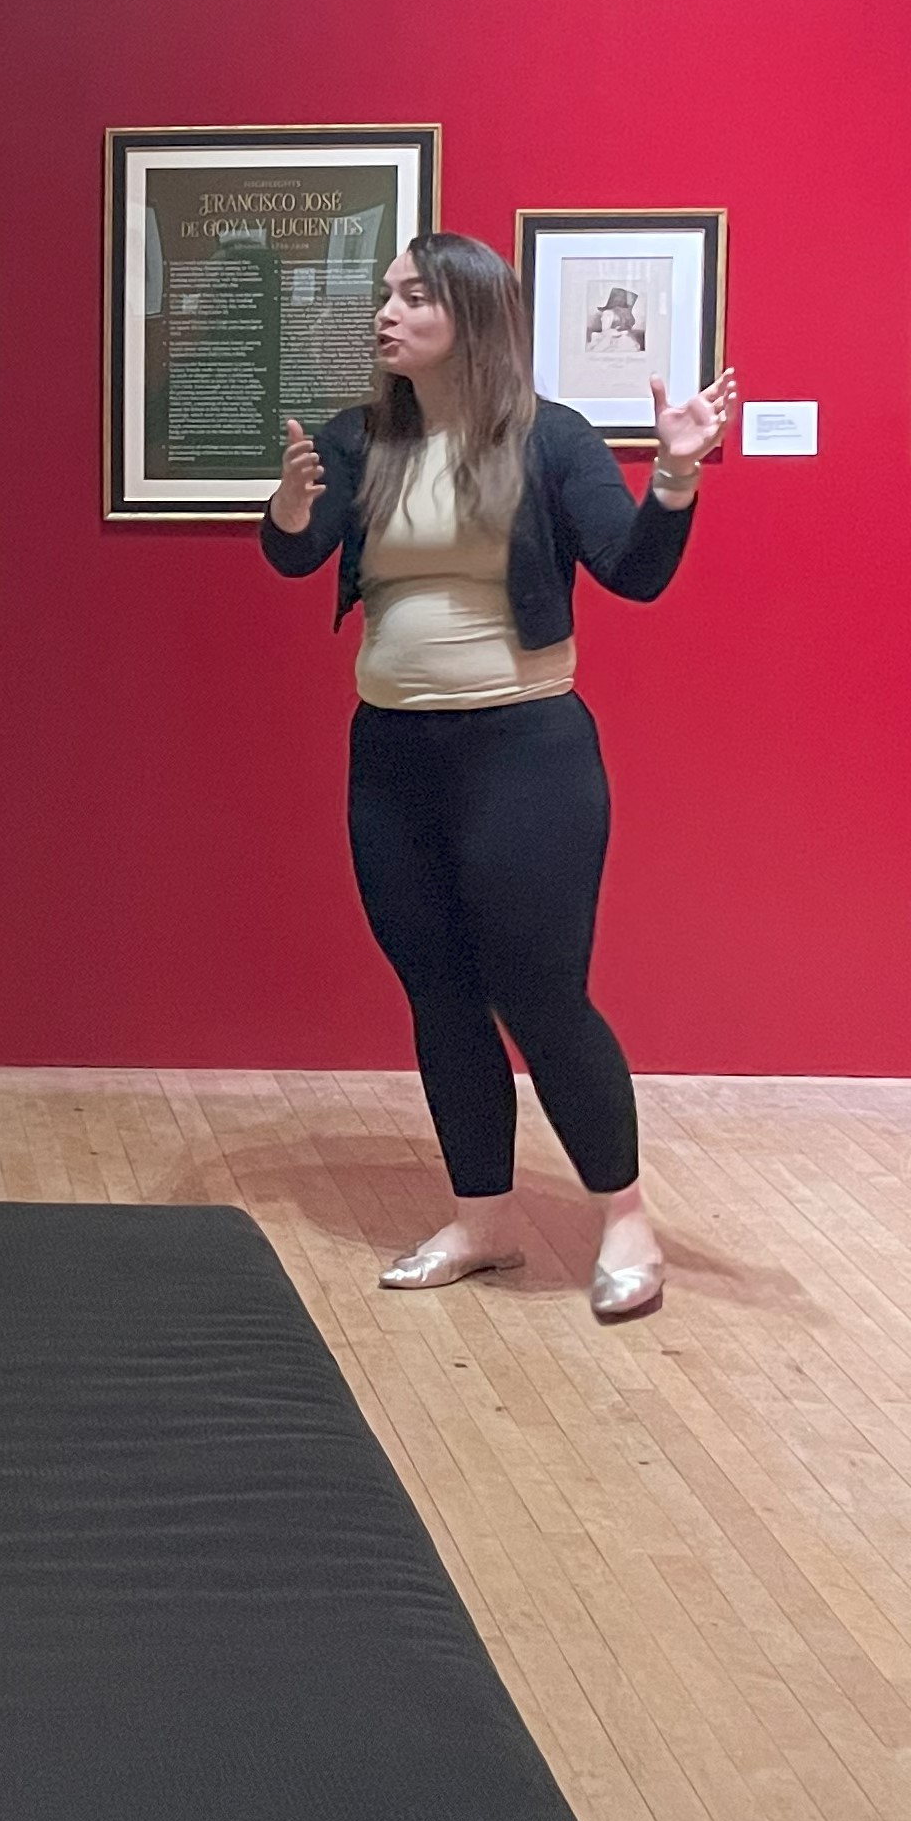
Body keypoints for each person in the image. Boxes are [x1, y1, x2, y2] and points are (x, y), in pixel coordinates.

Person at [258, 231, 735, 1324]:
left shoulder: (549, 438)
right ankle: (484, 1219)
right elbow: (295, 553)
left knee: (540, 992)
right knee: (437, 990)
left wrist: (672, 477)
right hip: (393, 757)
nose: (385, 314)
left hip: (527, 755)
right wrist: (286, 507)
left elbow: (631, 573)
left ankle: (625, 1217)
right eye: (386, 296)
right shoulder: (358, 438)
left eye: (413, 297)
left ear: (471, 316)